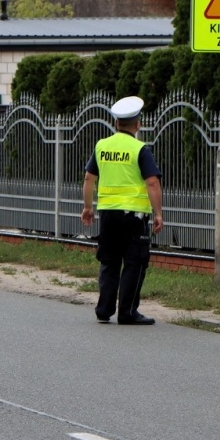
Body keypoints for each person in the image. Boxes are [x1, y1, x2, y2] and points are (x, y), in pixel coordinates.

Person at [81, 96, 164, 325]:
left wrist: (88, 207)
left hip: (108, 214)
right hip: (134, 217)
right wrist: (158, 213)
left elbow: (89, 177)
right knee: (134, 262)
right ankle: (127, 312)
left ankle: (104, 310)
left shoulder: (101, 146)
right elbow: (152, 183)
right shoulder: (140, 149)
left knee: (109, 261)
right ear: (138, 124)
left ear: (116, 122)